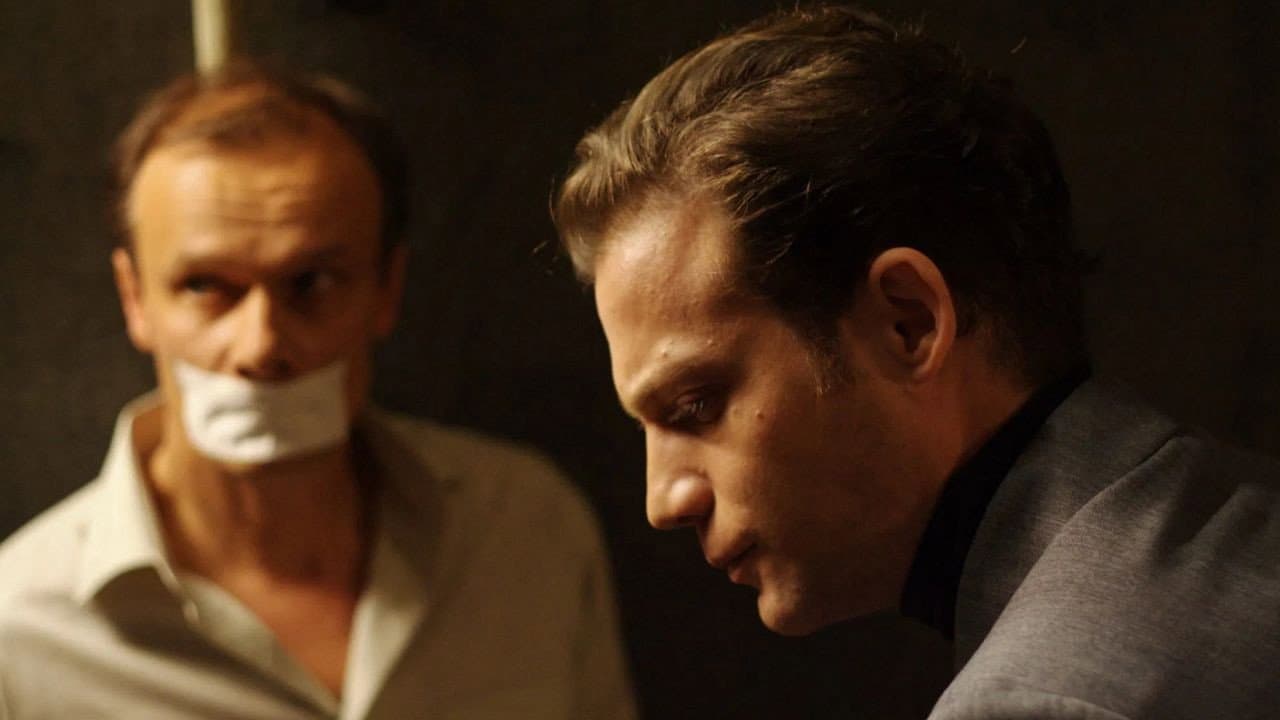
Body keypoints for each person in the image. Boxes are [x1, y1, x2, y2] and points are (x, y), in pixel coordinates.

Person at [553, 5, 1280, 719]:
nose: (662, 501)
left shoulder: (1035, 703)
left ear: (909, 322)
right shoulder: (1244, 522)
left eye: (695, 405)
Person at [0, 62, 635, 719]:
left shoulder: (528, 532)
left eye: (314, 282)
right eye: (205, 286)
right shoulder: (20, 637)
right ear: (135, 298)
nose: (260, 345)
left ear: (386, 288)